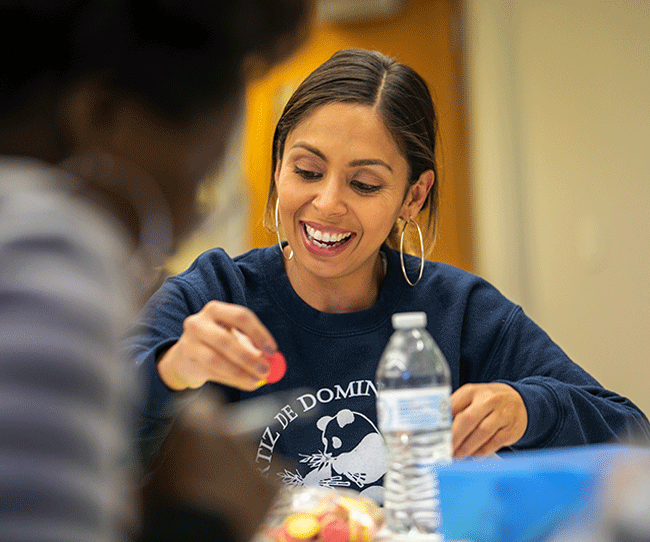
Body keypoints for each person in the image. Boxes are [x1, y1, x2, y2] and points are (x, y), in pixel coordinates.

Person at [126, 48, 650, 504]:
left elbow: (632, 437)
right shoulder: (217, 291)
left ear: (412, 196)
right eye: (306, 171)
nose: (326, 204)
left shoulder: (458, 310)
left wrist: (527, 409)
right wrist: (173, 368)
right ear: (278, 163)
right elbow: (85, 430)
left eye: (364, 184)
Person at [0, 1, 310, 541]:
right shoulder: (48, 246)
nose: (192, 217)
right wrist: (190, 519)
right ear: (100, 115)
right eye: (197, 180)